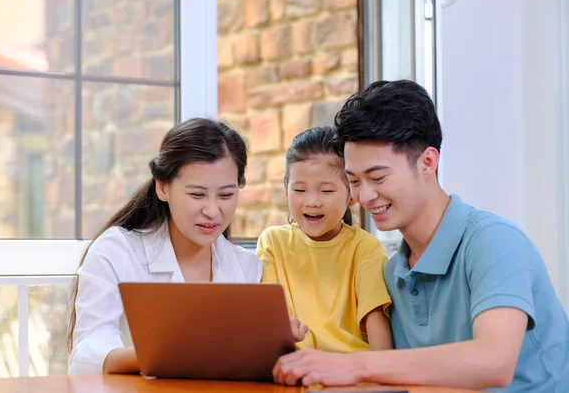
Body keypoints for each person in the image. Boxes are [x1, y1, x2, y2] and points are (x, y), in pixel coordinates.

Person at [272, 80, 569, 391]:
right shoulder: (392, 273)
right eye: (354, 181)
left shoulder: (494, 242)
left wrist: (351, 366)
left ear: (428, 162)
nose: (366, 195)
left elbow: (494, 361)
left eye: (378, 177)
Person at [67, 118, 304, 376]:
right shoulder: (115, 252)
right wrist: (175, 349)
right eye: (197, 195)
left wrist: (267, 342)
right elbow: (87, 355)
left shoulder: (245, 267)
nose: (213, 211)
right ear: (162, 187)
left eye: (226, 195)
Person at [257, 127, 392, 354]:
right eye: (299, 190)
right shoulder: (272, 242)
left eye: (326, 191)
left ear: (351, 196)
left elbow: (378, 333)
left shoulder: (365, 248)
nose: (312, 201)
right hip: (294, 371)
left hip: (351, 373)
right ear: (286, 191)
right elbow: (267, 318)